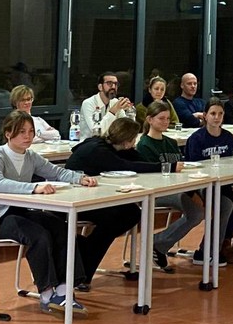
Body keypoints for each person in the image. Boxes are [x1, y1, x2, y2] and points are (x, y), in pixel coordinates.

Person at [0, 111, 99, 314]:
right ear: (8, 134)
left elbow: (55, 171)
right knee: (38, 235)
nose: (28, 136)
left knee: (61, 228)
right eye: (21, 132)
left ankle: (64, 289)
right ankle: (47, 292)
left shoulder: (30, 156)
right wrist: (34, 188)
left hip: (19, 211)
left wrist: (79, 178)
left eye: (31, 132)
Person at [65, 117, 170, 287]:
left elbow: (136, 159)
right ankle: (83, 265)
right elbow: (126, 165)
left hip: (93, 196)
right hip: (76, 200)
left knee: (131, 212)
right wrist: (166, 167)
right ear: (128, 140)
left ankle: (85, 254)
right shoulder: (98, 150)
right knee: (122, 216)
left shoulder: (107, 145)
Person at [184, 99, 233, 263]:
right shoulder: (196, 139)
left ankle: (221, 245)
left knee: (225, 200)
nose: (216, 117)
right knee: (225, 200)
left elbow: (230, 164)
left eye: (220, 114)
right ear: (205, 116)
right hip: (200, 184)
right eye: (212, 113)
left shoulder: (228, 137)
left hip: (221, 182)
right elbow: (194, 168)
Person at [136, 100, 205, 272]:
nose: (166, 122)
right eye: (161, 118)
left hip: (177, 187)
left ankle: (159, 242)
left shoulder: (171, 142)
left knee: (199, 211)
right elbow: (150, 175)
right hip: (156, 191)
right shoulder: (144, 145)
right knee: (196, 208)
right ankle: (158, 244)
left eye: (167, 119)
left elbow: (181, 167)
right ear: (150, 120)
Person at [79, 71, 134, 139]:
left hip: (109, 144)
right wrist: (112, 111)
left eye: (116, 84)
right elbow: (97, 133)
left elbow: (125, 129)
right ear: (100, 87)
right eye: (109, 83)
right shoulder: (88, 103)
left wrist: (129, 111)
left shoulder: (115, 102)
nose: (113, 87)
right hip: (90, 145)